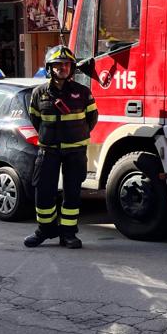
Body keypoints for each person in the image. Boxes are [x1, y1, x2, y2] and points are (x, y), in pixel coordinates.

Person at [24, 45, 97, 249]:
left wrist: (76, 135)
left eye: (66, 64)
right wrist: (50, 138)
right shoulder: (39, 93)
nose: (62, 68)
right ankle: (45, 230)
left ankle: (68, 234)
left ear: (72, 68)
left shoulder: (83, 92)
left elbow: (92, 119)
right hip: (48, 151)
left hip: (75, 151)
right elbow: (35, 119)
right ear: (49, 68)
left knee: (72, 193)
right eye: (57, 64)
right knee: (43, 191)